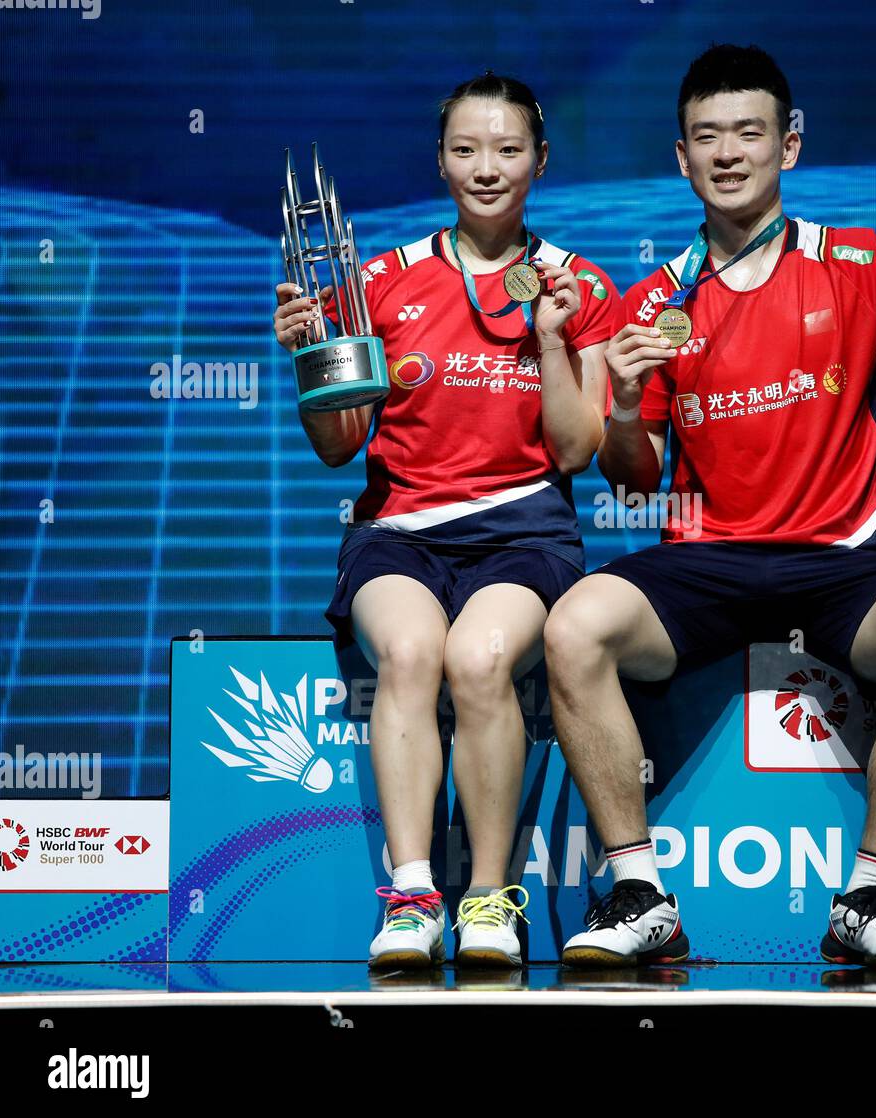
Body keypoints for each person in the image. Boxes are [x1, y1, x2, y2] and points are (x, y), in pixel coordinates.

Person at [544, 44, 876, 968]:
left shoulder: (860, 263)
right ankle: (640, 893)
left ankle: (868, 899)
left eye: (749, 133)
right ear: (681, 158)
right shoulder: (657, 302)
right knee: (573, 629)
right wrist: (630, 408)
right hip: (705, 561)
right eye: (707, 137)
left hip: (844, 557)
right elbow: (631, 481)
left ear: (789, 146)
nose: (728, 154)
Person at [272, 72, 619, 969]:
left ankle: (490, 899)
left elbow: (579, 452)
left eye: (507, 150)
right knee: (415, 654)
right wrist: (315, 361)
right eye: (466, 149)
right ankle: (414, 896)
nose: (486, 167)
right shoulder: (378, 282)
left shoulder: (581, 287)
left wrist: (550, 338)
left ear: (541, 160)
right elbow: (338, 445)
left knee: (480, 658)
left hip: (526, 534)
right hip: (400, 533)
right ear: (440, 161)